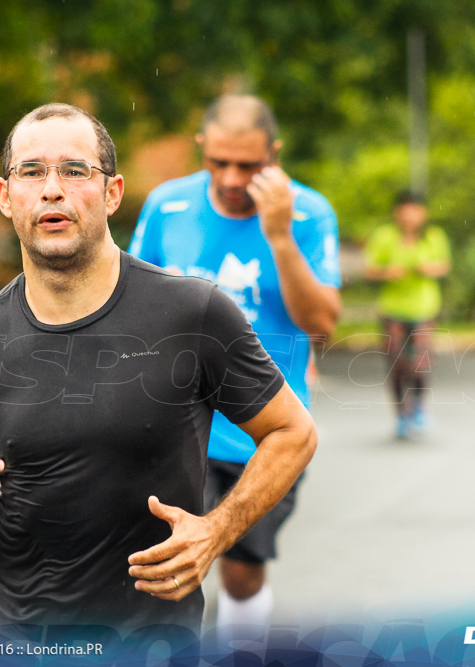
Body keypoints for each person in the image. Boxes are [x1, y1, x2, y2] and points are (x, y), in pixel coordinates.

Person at [0, 103, 317, 642]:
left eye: (75, 171)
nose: (52, 189)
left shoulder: (192, 313)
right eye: (31, 172)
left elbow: (293, 431)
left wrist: (215, 532)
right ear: (6, 198)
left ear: (112, 193)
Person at [129, 95, 340, 637]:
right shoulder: (166, 206)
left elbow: (321, 323)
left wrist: (278, 235)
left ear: (274, 153)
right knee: (163, 568)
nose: (231, 177)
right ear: (202, 149)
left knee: (242, 575)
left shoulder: (308, 213)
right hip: (174, 427)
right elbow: (131, 303)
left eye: (248, 165)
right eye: (218, 161)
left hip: (264, 434)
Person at [363, 191, 451, 439]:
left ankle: (420, 406)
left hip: (424, 308)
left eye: (416, 209)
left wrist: (428, 269)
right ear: (397, 211)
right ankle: (402, 412)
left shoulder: (433, 237)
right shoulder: (384, 237)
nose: (411, 215)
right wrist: (387, 273)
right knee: (396, 362)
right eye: (406, 209)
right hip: (392, 309)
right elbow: (369, 270)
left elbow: (443, 265)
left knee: (421, 361)